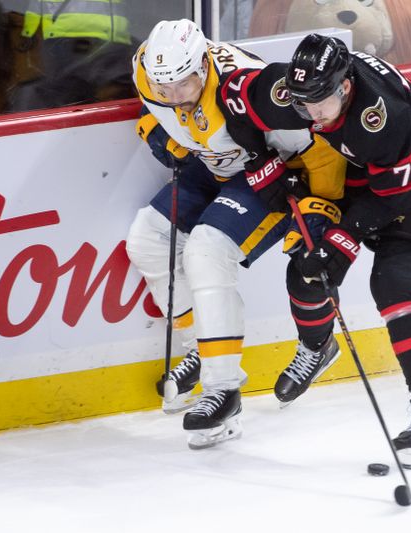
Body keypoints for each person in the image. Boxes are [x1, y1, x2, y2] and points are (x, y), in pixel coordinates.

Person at [218, 33, 411, 469]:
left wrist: (345, 237)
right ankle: (317, 346)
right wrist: (261, 165)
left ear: (346, 87)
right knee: (307, 272)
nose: (309, 115)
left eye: (319, 105)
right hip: (350, 166)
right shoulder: (294, 90)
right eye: (300, 105)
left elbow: (393, 195)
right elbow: (231, 97)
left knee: (394, 279)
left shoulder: (383, 116)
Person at [125, 20, 344, 449]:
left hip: (269, 177)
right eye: (162, 88)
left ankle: (222, 390)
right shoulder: (145, 70)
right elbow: (154, 109)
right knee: (148, 239)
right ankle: (200, 350)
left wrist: (321, 211)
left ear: (203, 67)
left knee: (206, 250)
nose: (172, 97)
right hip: (211, 165)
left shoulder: (247, 88)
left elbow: (319, 150)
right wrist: (156, 131)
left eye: (182, 88)